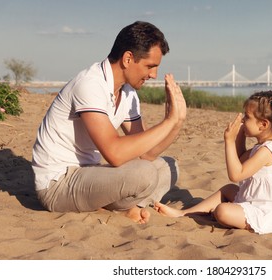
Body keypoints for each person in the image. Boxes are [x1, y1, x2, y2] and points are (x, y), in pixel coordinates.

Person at [32, 21, 187, 224]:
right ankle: (129, 207)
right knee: (145, 174)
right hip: (58, 184)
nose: (153, 75)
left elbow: (146, 154)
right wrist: (168, 121)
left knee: (167, 166)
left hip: (90, 176)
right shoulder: (90, 84)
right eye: (150, 66)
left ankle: (127, 207)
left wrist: (176, 122)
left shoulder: (129, 93)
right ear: (128, 58)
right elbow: (115, 154)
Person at [155, 91, 272, 234]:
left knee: (222, 211)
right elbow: (240, 159)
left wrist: (229, 140)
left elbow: (236, 174)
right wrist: (240, 135)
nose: (243, 120)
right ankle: (184, 213)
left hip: (270, 211)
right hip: (258, 199)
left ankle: (248, 222)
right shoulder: (260, 147)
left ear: (263, 125)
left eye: (247, 117)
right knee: (228, 189)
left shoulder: (266, 152)